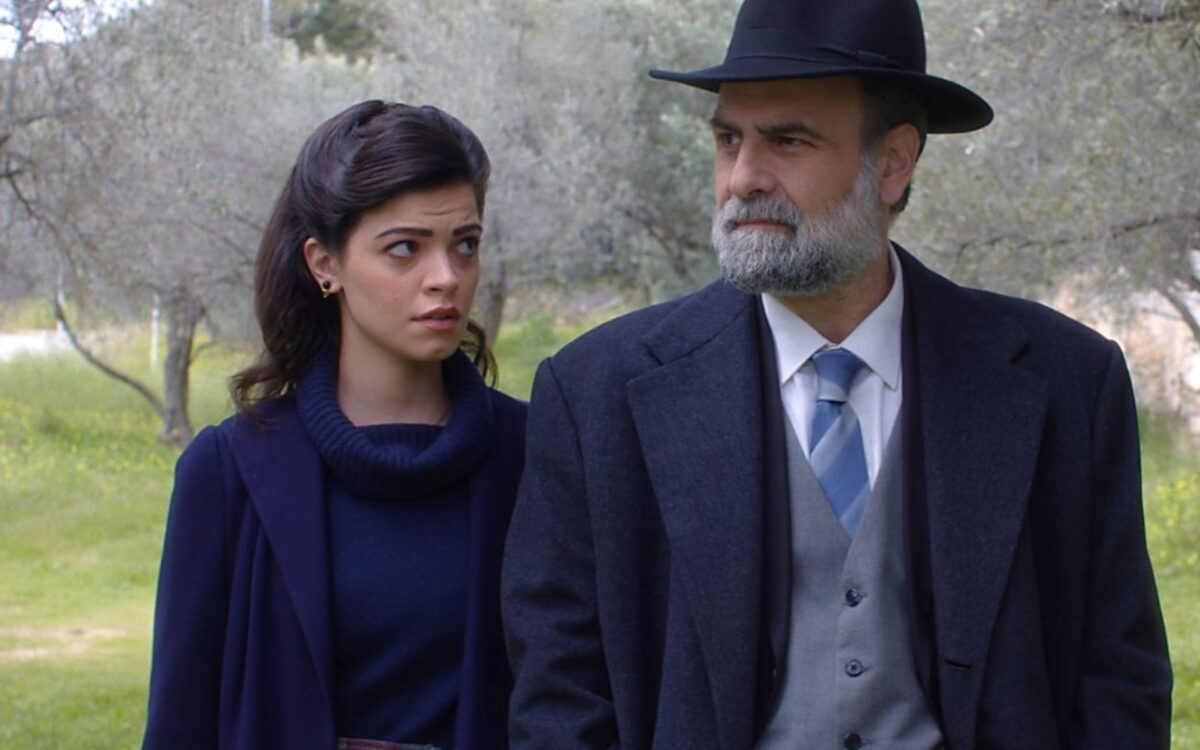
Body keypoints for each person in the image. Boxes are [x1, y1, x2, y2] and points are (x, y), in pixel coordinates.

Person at [501, 0, 1172, 747]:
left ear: (894, 162)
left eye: (788, 140)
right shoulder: (595, 395)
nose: (743, 178)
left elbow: (1119, 683)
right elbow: (560, 696)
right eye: (728, 139)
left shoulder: (1067, 382)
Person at [142, 100, 525, 750]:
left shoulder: (535, 454)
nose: (447, 278)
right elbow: (180, 724)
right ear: (325, 264)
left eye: (465, 244)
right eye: (404, 248)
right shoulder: (230, 472)